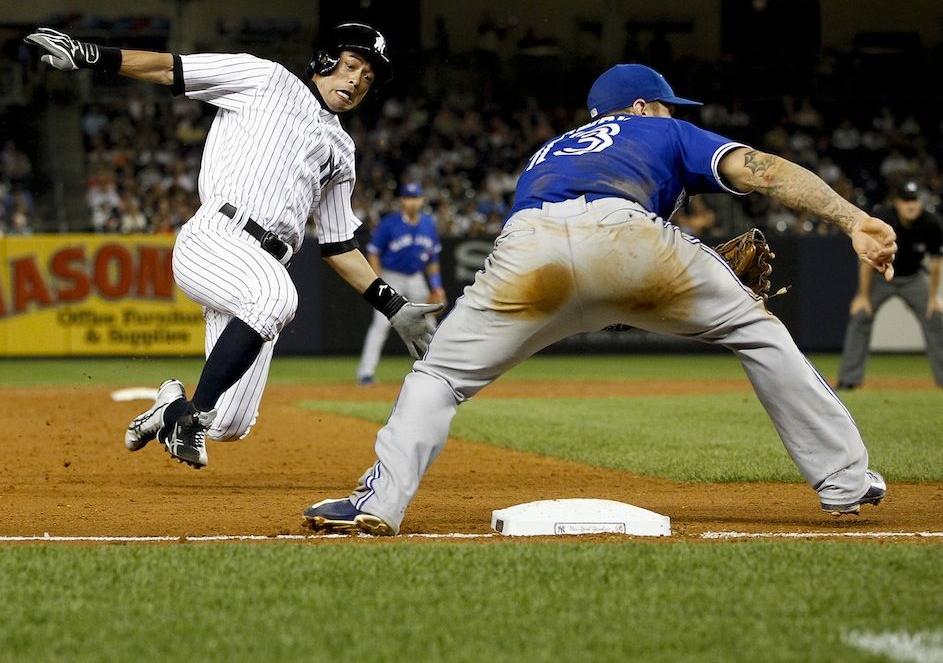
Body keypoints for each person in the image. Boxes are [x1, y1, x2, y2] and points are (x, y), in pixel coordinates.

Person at [302, 63, 898, 536]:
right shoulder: (658, 127)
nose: (671, 113)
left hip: (528, 246)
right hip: (627, 237)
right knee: (757, 329)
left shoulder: (550, 150)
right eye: (666, 104)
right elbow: (758, 169)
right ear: (640, 106)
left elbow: (574, 258)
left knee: (438, 377)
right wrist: (850, 219)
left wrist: (602, 295)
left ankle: (379, 502)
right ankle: (844, 481)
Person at [25, 23, 442, 469]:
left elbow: (339, 246)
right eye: (352, 65)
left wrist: (394, 306)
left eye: (368, 77)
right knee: (277, 296)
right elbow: (171, 69)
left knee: (231, 424)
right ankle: (191, 419)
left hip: (260, 266)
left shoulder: (341, 150)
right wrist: (91, 54)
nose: (357, 80)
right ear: (324, 61)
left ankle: (173, 408)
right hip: (217, 236)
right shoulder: (265, 79)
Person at [837, 180, 943, 388]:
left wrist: (933, 298)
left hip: (913, 278)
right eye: (906, 201)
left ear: (920, 202)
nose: (911, 205)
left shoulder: (931, 223)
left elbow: (936, 263)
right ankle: (849, 380)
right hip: (880, 275)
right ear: (897, 203)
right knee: (860, 315)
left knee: (935, 316)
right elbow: (867, 261)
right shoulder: (885, 219)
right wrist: (863, 296)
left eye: (914, 200)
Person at [356, 182, 447, 386]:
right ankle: (366, 372)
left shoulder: (428, 224)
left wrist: (437, 286)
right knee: (380, 326)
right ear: (402, 201)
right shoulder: (389, 223)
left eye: (416, 198)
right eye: (408, 198)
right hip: (391, 277)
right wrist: (376, 281)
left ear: (422, 200)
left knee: (429, 322)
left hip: (416, 277)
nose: (413, 202)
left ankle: (435, 369)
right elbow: (374, 252)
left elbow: (432, 260)